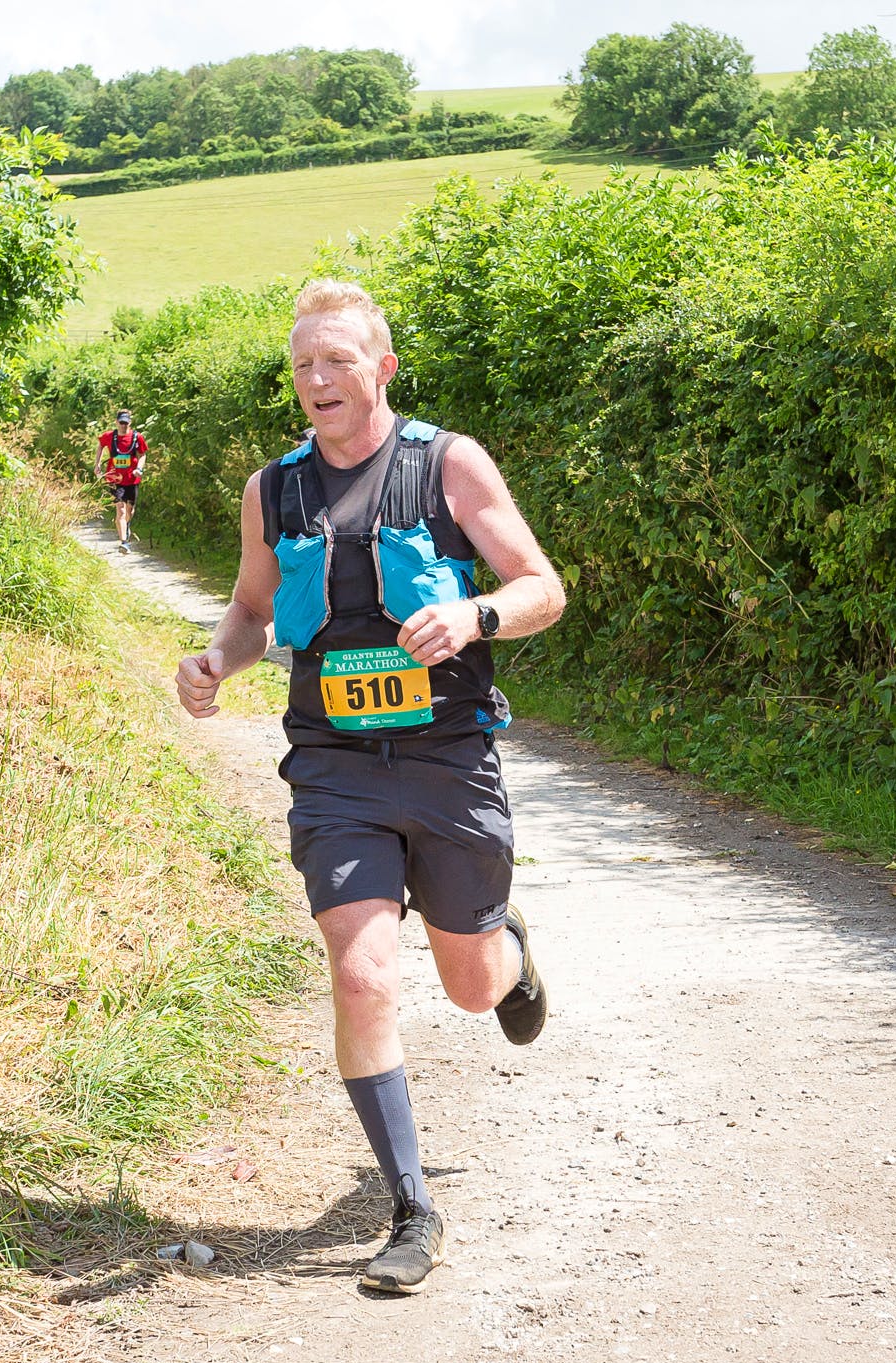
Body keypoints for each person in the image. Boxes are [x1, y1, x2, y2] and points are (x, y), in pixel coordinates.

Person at [175, 279, 567, 1294]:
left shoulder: (448, 464)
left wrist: (475, 618)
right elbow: (250, 612)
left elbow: (541, 587)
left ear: (381, 368)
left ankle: (506, 949)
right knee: (359, 974)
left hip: (445, 758)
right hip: (334, 765)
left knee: (469, 985)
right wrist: (215, 661)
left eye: (336, 361)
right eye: (303, 364)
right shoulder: (275, 489)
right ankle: (410, 1209)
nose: (315, 379)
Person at [95, 409, 148, 552]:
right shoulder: (109, 437)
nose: (123, 425)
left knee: (129, 511)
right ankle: (124, 542)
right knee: (121, 510)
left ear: (129, 422)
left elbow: (142, 454)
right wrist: (97, 464)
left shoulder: (137, 437)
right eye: (121, 423)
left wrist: (139, 469)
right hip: (114, 479)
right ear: (116, 422)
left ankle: (126, 526)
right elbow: (100, 446)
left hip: (132, 480)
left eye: (126, 423)